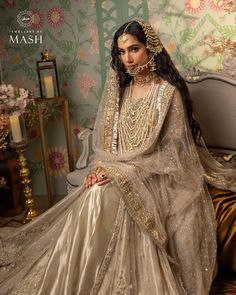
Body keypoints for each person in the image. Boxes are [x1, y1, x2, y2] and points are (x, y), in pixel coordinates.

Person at [0, 19, 235, 295]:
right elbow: (107, 145)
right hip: (120, 172)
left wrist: (121, 172)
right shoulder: (121, 92)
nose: (128, 59)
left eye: (134, 49)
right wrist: (100, 168)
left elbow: (172, 154)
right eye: (121, 52)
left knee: (100, 194)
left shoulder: (167, 93)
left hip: (157, 177)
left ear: (151, 49)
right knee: (94, 190)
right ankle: (77, 277)